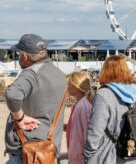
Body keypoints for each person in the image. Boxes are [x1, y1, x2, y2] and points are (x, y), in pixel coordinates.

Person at [4, 34, 66, 163]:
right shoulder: (59, 74)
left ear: (24, 56)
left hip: (27, 150)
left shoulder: (31, 73)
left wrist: (19, 118)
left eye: (19, 53)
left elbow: (12, 94)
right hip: (50, 150)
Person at [84, 55, 136, 163]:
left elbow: (95, 132)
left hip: (113, 157)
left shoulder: (104, 94)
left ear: (105, 71)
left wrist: (87, 157)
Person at [66, 71, 93, 164]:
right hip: (75, 157)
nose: (67, 87)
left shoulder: (83, 106)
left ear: (75, 87)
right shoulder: (78, 105)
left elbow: (87, 135)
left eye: (68, 85)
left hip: (80, 159)